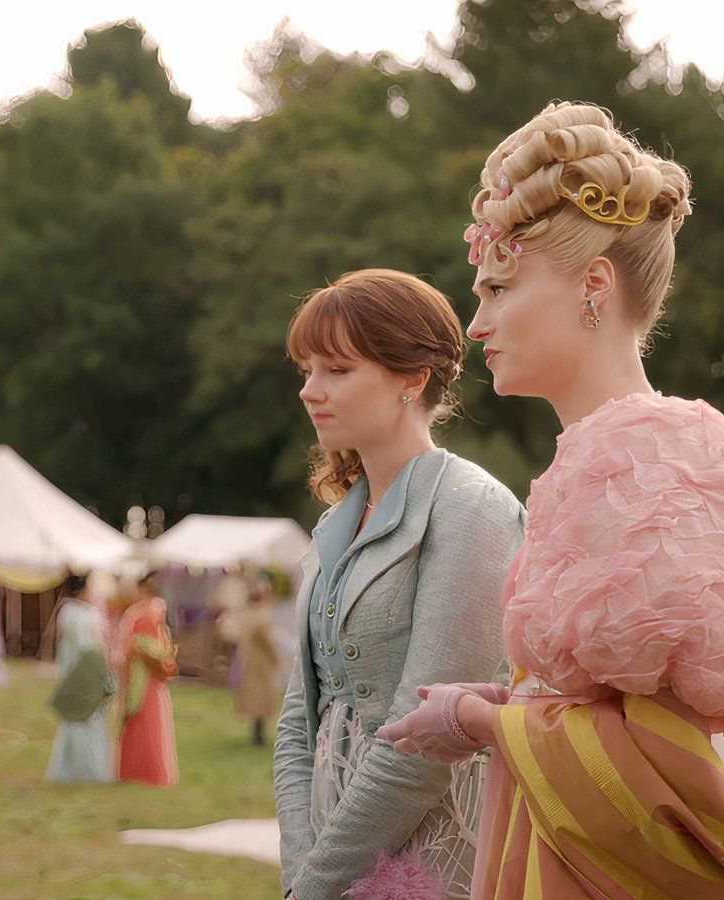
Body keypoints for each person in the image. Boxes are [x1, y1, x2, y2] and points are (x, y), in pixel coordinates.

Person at [377, 101, 724, 898]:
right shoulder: (605, 453)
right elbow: (608, 699)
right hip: (567, 824)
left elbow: (658, 750)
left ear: (595, 284)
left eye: (498, 287)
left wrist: (484, 723)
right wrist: (501, 699)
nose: (477, 322)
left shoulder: (648, 456)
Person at [273, 270, 524, 899]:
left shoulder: (471, 507)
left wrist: (316, 884)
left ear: (411, 379)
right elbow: (301, 714)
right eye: (306, 369)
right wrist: (301, 867)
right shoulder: (335, 522)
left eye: (335, 369)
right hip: (328, 845)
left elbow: (424, 741)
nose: (309, 390)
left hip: (431, 848)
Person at [45, 574, 115, 783]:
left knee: (73, 719)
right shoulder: (88, 614)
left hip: (71, 673)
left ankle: (68, 768)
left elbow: (65, 647)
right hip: (87, 674)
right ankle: (90, 769)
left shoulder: (65, 612)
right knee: (89, 717)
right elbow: (93, 648)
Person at [115, 572, 179, 787]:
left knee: (147, 720)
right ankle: (144, 769)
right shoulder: (143, 613)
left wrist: (162, 663)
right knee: (145, 720)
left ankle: (143, 769)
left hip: (147, 676)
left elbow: (145, 646)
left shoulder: (145, 612)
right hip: (146, 676)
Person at [234, 578, 279, 747]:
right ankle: (259, 735)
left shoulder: (249, 614)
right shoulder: (261, 616)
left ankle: (258, 733)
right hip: (260, 662)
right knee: (261, 698)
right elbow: (267, 641)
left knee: (256, 697)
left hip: (252, 661)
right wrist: (275, 657)